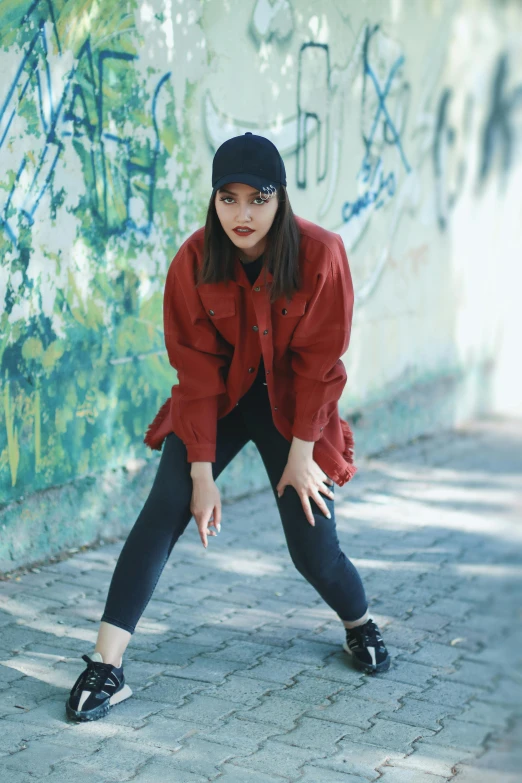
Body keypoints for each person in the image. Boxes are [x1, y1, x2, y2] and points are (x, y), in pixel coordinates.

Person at [66, 132, 390, 723]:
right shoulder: (194, 259)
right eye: (228, 198)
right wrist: (200, 472)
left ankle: (359, 623)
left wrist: (300, 457)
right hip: (220, 398)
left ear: (281, 198)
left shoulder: (321, 253)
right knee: (164, 509)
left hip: (294, 408)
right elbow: (194, 370)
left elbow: (322, 367)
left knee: (313, 549)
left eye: (258, 198)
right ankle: (105, 664)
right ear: (213, 200)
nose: (242, 214)